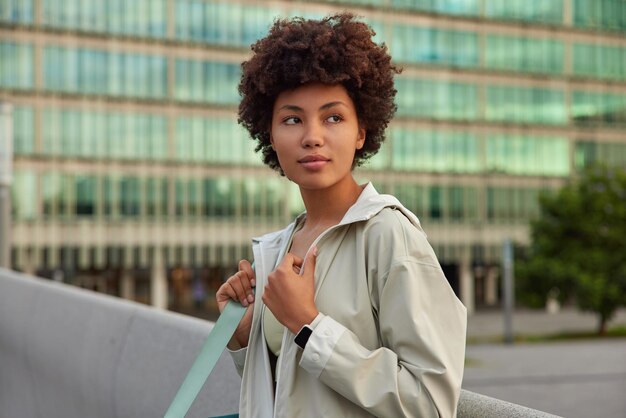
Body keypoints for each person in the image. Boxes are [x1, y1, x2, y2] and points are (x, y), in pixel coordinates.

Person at [215, 13, 467, 418]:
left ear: (361, 132)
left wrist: (308, 324)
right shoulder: (280, 245)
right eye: (292, 119)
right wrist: (247, 336)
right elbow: (292, 392)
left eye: (333, 117)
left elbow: (431, 403)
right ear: (271, 136)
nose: (312, 135)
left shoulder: (388, 235)